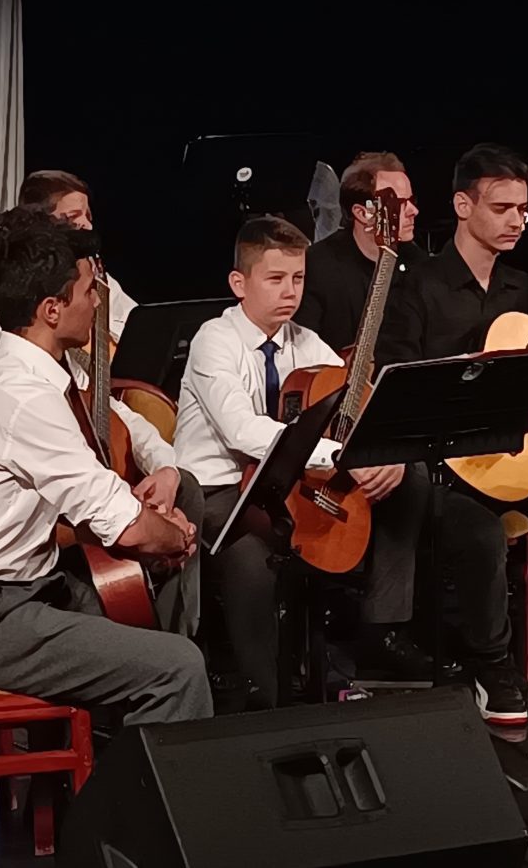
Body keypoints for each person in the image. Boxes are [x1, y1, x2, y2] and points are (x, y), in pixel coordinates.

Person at [0, 208, 211, 724]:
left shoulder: (20, 370)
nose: (98, 302)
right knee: (177, 667)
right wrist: (177, 535)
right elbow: (124, 524)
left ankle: (113, 757)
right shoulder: (22, 394)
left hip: (29, 590)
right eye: (90, 291)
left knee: (141, 615)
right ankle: (139, 774)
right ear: (52, 309)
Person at [172, 216, 431, 710]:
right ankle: (266, 698)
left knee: (409, 478)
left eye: (298, 278)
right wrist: (340, 456)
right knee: (253, 556)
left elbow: (352, 401)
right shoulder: (214, 339)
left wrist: (381, 455)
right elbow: (242, 430)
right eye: (275, 279)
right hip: (218, 488)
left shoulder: (305, 343)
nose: (290, 291)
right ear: (239, 283)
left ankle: (371, 637)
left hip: (283, 484)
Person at [377, 143, 528, 722]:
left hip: (510, 460)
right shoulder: (416, 288)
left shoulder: (527, 291)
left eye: (524, 209)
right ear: (463, 206)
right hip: (435, 468)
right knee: (481, 530)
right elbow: (394, 379)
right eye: (501, 207)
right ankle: (492, 663)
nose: (517, 220)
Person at [295, 151, 429, 351]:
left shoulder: (417, 261)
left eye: (412, 200)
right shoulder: (318, 266)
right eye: (399, 203)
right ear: (363, 213)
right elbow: (302, 350)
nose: (413, 211)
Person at [19, 170, 139, 344]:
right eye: (73, 216)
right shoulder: (26, 277)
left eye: (88, 216)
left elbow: (134, 319)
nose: (88, 225)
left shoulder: (95, 272)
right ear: (41, 221)